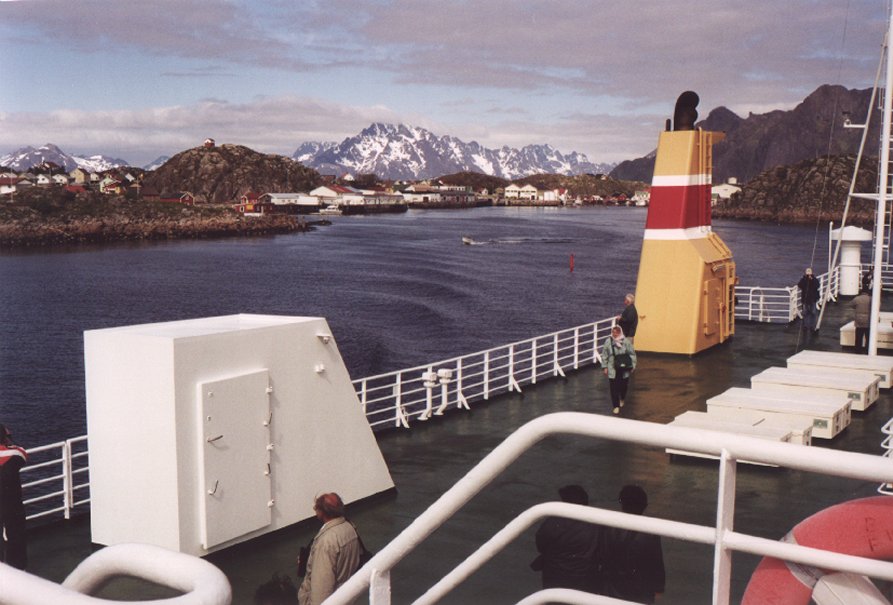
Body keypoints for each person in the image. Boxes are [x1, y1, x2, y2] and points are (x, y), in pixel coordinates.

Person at [601, 485, 665, 604]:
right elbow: (656, 562)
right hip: (640, 589)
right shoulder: (650, 531)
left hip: (614, 586)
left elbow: (603, 557)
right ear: (644, 506)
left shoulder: (609, 526)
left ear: (622, 503)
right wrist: (659, 587)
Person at [533, 485, 603, 593]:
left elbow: (540, 545)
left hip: (555, 577)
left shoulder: (553, 522)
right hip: (584, 579)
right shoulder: (596, 525)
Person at [297, 492, 361, 605]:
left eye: (316, 507)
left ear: (322, 512)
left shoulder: (326, 542)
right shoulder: (350, 527)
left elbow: (321, 591)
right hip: (345, 597)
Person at [0, 423, 27, 570]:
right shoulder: (15, 454)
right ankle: (17, 570)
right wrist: (8, 439)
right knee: (16, 535)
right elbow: (23, 453)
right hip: (12, 504)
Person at [602, 325, 636, 415]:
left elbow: (632, 354)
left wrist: (633, 365)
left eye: (616, 332)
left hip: (624, 368)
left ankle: (622, 398)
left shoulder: (626, 342)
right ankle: (616, 406)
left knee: (623, 386)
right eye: (613, 332)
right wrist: (604, 367)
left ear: (620, 332)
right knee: (613, 388)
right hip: (612, 368)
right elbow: (604, 354)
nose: (615, 334)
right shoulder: (608, 341)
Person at [797, 268, 821, 333]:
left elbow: (817, 285)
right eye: (807, 271)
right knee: (805, 313)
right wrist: (806, 278)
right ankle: (805, 326)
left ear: (812, 272)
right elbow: (800, 285)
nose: (808, 272)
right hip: (805, 299)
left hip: (812, 299)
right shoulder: (803, 279)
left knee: (813, 313)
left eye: (809, 271)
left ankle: (812, 326)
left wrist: (811, 279)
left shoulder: (814, 279)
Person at [852, 288, 871, 354]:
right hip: (868, 321)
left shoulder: (856, 299)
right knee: (868, 338)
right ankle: (867, 350)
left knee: (858, 337)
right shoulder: (871, 299)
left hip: (859, 321)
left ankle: (858, 351)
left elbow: (852, 305)